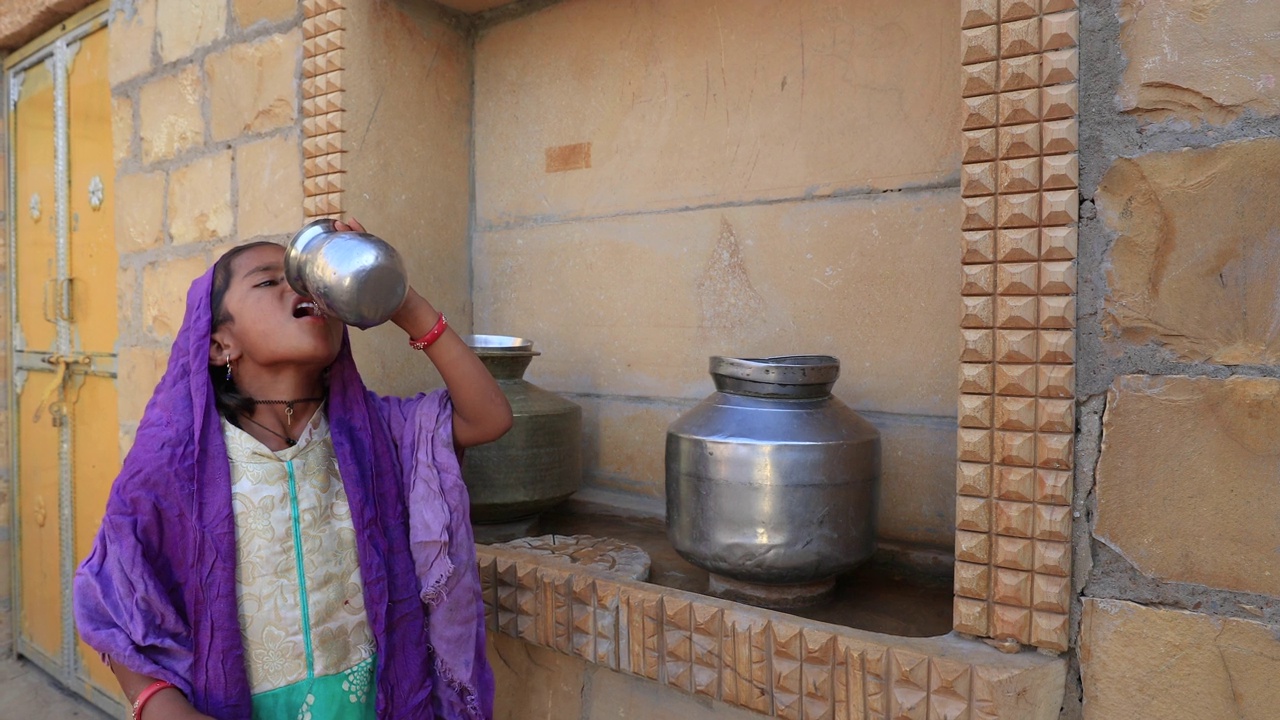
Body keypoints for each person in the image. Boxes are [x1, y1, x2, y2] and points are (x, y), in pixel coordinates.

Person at [73, 219, 511, 719]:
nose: (300, 289)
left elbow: (489, 417)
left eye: (308, 281)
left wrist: (400, 299)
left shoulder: (378, 434)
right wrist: (158, 705)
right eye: (268, 280)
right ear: (220, 345)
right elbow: (111, 600)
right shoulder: (176, 465)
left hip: (374, 703)